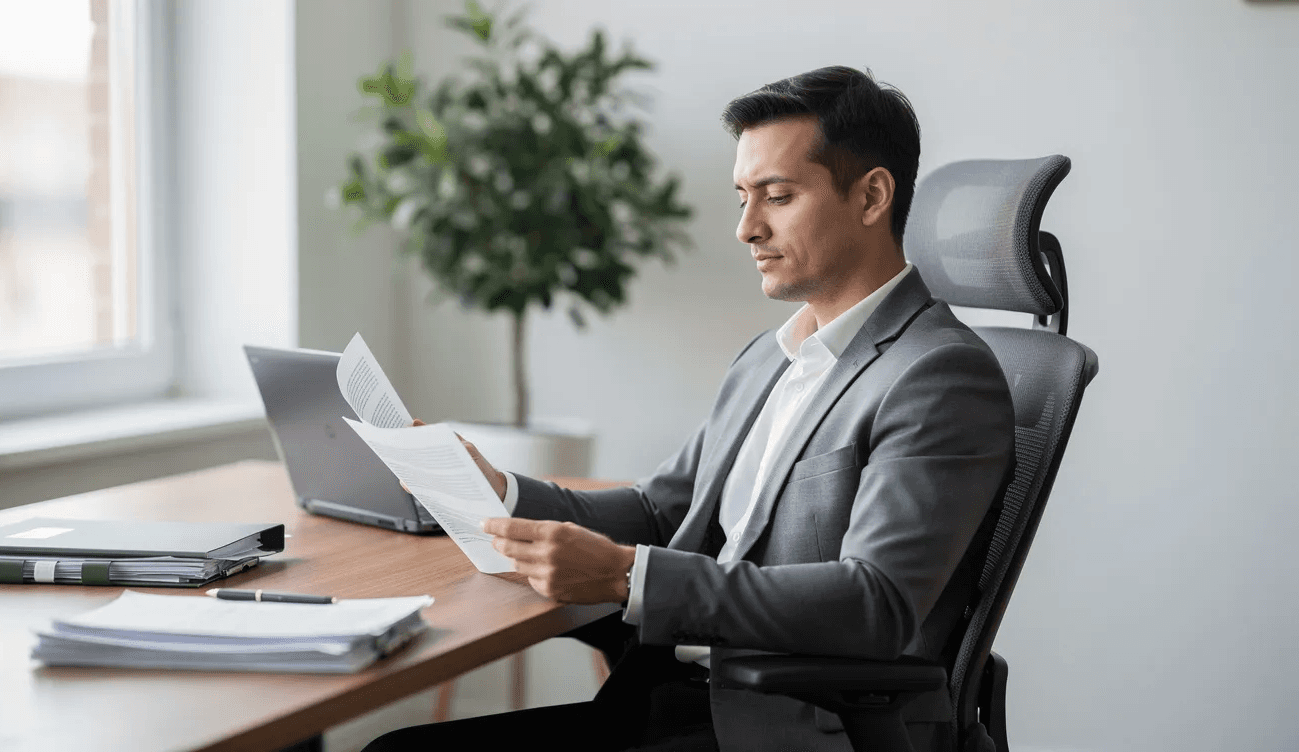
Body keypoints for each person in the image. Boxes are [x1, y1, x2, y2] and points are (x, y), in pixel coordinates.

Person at [364, 65, 1015, 752]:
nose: (746, 228)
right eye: (742, 198)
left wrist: (625, 575)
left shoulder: (939, 375)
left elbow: (873, 604)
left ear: (872, 195)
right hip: (671, 695)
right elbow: (662, 510)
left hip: (781, 727)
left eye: (777, 197)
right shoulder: (772, 357)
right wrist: (500, 492)